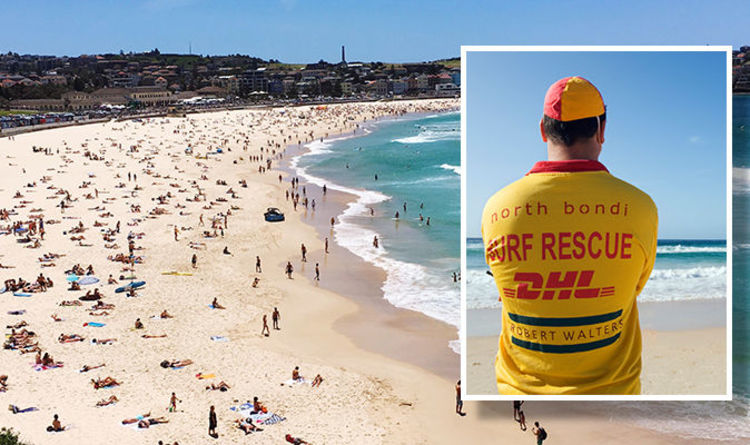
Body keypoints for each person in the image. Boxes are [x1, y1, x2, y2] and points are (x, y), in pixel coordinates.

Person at [481, 76, 657, 395]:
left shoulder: (497, 208)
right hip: (613, 395)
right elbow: (632, 287)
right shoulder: (640, 207)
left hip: (519, 392)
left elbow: (505, 289)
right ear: (602, 131)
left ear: (542, 130)